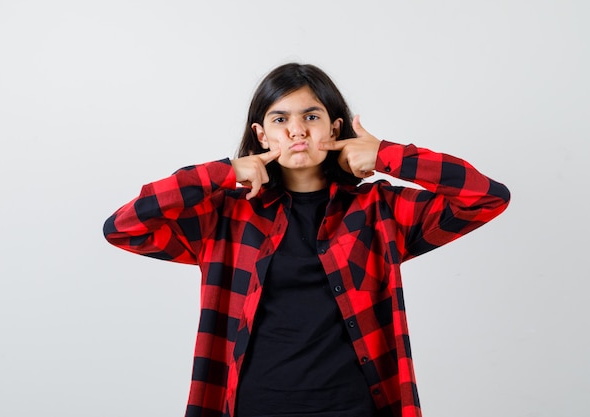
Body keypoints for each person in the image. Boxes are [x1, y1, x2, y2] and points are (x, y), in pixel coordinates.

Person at [103, 63, 510, 417]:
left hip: (354, 405)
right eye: (280, 120)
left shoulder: (377, 210)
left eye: (311, 116)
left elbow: (486, 197)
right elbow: (124, 226)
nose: (297, 130)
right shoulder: (225, 213)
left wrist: (387, 155)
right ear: (261, 135)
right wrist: (223, 172)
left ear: (335, 127)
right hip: (255, 404)